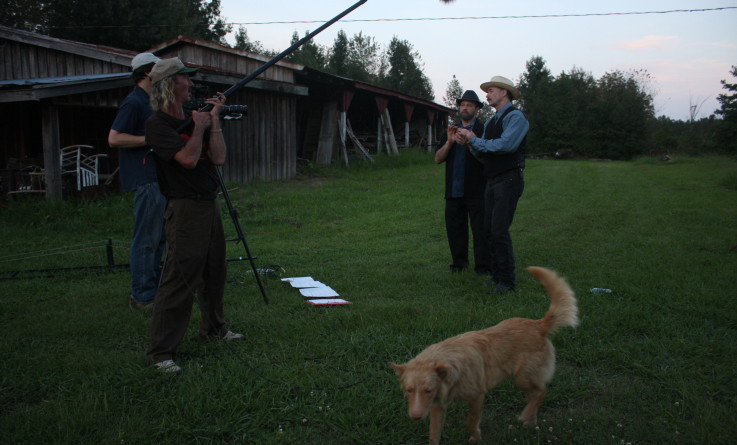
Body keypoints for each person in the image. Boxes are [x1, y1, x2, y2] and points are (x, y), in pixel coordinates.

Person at [144, 58, 243, 373]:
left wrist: (213, 121)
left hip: (208, 202)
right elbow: (187, 159)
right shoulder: (157, 124)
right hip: (184, 207)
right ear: (170, 85)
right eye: (185, 79)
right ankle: (161, 353)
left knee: (215, 270)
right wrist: (198, 127)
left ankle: (214, 328)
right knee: (181, 277)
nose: (191, 83)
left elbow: (219, 157)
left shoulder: (192, 115)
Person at [456, 76, 528, 294]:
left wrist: (474, 139)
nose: (487, 94)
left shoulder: (516, 118)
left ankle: (507, 281)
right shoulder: (491, 121)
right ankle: (497, 276)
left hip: (508, 179)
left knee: (499, 231)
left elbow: (506, 145)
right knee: (488, 230)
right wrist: (467, 142)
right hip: (492, 179)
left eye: (491, 90)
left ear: (504, 92)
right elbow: (483, 150)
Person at [108, 52, 167, 310]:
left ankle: (153, 290)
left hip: (158, 178)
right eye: (158, 68)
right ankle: (142, 296)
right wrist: (150, 139)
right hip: (145, 179)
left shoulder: (151, 101)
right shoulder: (134, 103)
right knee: (147, 238)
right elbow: (115, 138)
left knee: (159, 238)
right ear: (146, 72)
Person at [434, 90, 489, 274]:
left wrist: (471, 143)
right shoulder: (452, 130)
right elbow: (438, 159)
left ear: (477, 109)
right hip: (454, 189)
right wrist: (449, 142)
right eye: (463, 105)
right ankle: (459, 264)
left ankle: (483, 266)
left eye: (469, 105)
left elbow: (487, 160)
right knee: (455, 229)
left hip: (477, 190)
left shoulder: (483, 130)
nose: (465, 108)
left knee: (480, 230)